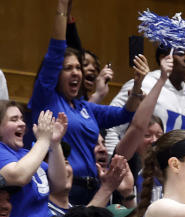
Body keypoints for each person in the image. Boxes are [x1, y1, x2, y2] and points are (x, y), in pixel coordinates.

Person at [28, 2, 160, 204]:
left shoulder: (84, 107)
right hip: (60, 193)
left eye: (78, 68)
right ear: (55, 74)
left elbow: (126, 114)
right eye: (68, 68)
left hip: (93, 191)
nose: (76, 72)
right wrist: (62, 6)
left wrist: (138, 83)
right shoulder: (45, 99)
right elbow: (56, 50)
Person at [105, 44, 185, 153]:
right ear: (163, 57)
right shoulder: (143, 84)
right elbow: (112, 127)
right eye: (180, 53)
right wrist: (111, 160)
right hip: (139, 165)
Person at [0, 103, 69, 217]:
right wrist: (43, 140)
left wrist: (54, 143)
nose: (22, 124)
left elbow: (59, 185)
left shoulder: (27, 155)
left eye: (22, 119)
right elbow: (18, 176)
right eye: (14, 119)